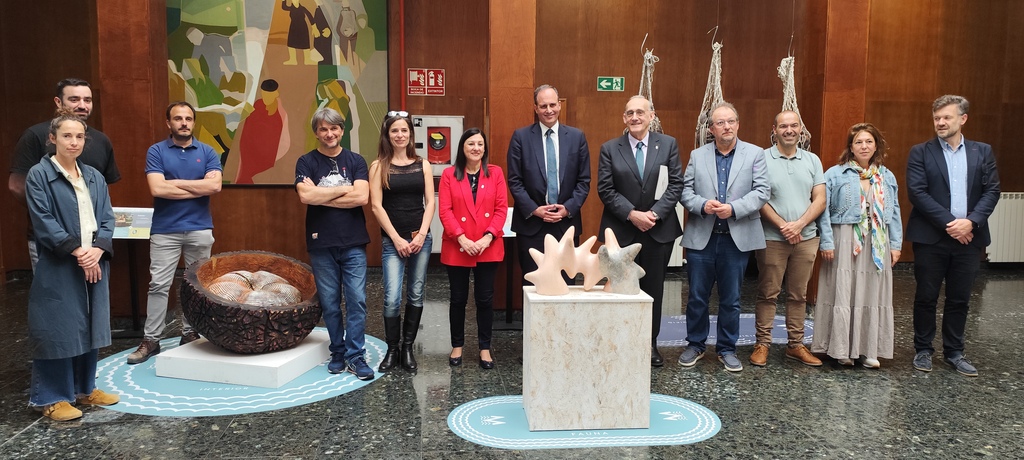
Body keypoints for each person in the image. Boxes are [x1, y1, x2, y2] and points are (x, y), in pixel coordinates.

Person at [25, 111, 119, 421]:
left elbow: (107, 218)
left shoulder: (93, 176)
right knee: (58, 327)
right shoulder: (39, 175)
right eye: (67, 136)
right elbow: (43, 221)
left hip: (94, 259)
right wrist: (79, 252)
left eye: (79, 136)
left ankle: (84, 389)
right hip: (61, 261)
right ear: (52, 138)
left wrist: (97, 250)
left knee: (90, 324)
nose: (73, 142)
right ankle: (52, 398)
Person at [907, 95, 1000, 377]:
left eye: (947, 117)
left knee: (960, 298)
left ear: (963, 119)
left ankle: (955, 352)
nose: (940, 122)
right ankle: (923, 349)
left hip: (970, 239)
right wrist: (952, 224)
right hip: (931, 238)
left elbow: (992, 191)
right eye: (937, 118)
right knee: (926, 296)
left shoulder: (982, 151)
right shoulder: (920, 152)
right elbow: (917, 193)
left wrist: (970, 223)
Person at [127, 102, 223, 365]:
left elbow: (214, 187)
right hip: (165, 230)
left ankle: (190, 333)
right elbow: (157, 189)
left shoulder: (207, 151)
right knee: (159, 284)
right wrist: (197, 186)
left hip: (199, 228)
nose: (184, 123)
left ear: (194, 122)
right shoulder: (156, 151)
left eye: (188, 118)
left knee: (197, 284)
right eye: (178, 118)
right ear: (168, 123)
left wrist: (174, 183)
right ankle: (151, 339)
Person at [678, 102, 770, 373]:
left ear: (738, 124)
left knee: (731, 298)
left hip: (736, 238)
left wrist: (734, 208)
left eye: (731, 121)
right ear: (711, 129)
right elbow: (684, 191)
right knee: (697, 296)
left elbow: (762, 191)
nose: (726, 127)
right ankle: (695, 344)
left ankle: (727, 349)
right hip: (702, 237)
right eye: (720, 123)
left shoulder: (755, 154)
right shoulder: (698, 155)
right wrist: (702, 204)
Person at [597, 95, 683, 367]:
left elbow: (676, 184)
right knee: (619, 289)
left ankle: (649, 344)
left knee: (653, 289)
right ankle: (619, 342)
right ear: (624, 118)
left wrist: (654, 214)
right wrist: (633, 214)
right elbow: (605, 189)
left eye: (640, 112)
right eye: (630, 113)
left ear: (651, 116)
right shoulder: (610, 148)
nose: (635, 117)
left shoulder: (667, 144)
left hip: (659, 231)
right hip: (622, 231)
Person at [813, 123, 902, 369]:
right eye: (858, 142)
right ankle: (841, 349)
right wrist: (826, 241)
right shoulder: (835, 174)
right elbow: (823, 212)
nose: (864, 146)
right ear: (851, 147)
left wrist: (896, 244)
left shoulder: (886, 176)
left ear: (876, 146)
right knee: (843, 291)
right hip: (844, 240)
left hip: (877, 242)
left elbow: (894, 212)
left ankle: (868, 349)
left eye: (869, 142)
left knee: (871, 292)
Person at [295, 107, 375, 380]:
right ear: (316, 133)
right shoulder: (306, 162)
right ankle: (338, 352)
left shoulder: (356, 161)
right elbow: (306, 197)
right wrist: (345, 189)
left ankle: (355, 355)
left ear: (342, 130)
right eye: (323, 129)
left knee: (357, 301)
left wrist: (321, 193)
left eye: (334, 128)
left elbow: (362, 197)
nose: (329, 133)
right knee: (330, 303)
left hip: (353, 242)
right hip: (321, 242)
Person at [10, 78, 120, 270]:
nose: (82, 105)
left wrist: (98, 245)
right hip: (51, 242)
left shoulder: (102, 141)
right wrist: (59, 218)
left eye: (87, 100)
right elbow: (17, 185)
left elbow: (103, 196)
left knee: (94, 289)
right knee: (57, 289)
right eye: (74, 99)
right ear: (58, 102)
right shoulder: (35, 135)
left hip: (93, 244)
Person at [751, 111, 825, 367]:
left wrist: (800, 225)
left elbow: (820, 199)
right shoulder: (761, 158)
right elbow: (758, 198)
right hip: (772, 237)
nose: (789, 130)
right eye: (783, 126)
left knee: (798, 295)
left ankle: (795, 345)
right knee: (768, 293)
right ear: (774, 130)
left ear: (801, 130)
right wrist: (784, 226)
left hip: (807, 239)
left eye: (794, 126)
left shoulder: (812, 160)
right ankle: (762, 343)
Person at [369, 111, 434, 372]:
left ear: (410, 134)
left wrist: (421, 235)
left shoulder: (423, 164)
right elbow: (376, 206)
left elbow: (430, 202)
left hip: (420, 240)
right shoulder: (378, 166)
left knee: (416, 293)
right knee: (392, 297)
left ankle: (407, 348)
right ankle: (392, 349)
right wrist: (396, 238)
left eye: (404, 130)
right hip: (392, 242)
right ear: (387, 134)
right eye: (394, 130)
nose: (400, 135)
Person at [507, 84, 591, 285]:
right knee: (533, 285)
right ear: (535, 108)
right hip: (531, 226)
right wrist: (534, 210)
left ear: (559, 105)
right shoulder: (521, 137)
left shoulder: (577, 137)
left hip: (566, 225)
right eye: (543, 106)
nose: (549, 110)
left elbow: (584, 181)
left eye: (552, 105)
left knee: (566, 286)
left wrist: (567, 209)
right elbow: (514, 181)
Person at [439, 128, 507, 369]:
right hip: (458, 245)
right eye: (471, 144)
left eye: (480, 144)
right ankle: (457, 345)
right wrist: (461, 238)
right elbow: (445, 210)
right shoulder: (449, 174)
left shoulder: (495, 173)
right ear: (462, 148)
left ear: (484, 148)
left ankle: (484, 348)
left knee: (485, 299)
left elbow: (501, 209)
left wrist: (488, 237)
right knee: (458, 298)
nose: (476, 148)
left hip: (487, 245)